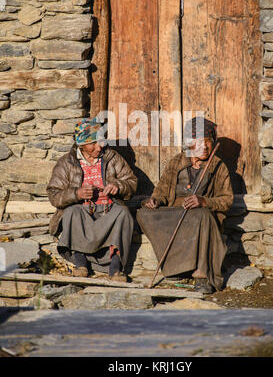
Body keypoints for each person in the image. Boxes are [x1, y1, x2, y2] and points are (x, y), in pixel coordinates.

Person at [137, 117, 233, 293]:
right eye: (198, 143)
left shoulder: (218, 166)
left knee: (201, 215)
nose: (204, 147)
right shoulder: (177, 162)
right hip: (175, 213)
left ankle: (201, 276)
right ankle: (176, 266)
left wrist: (205, 202)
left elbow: (227, 200)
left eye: (208, 142)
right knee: (143, 214)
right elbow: (162, 191)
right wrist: (155, 201)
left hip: (201, 216)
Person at [47, 118, 137, 280]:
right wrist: (77, 193)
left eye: (101, 141)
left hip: (108, 210)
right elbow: (54, 195)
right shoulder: (66, 163)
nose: (100, 147)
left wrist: (118, 186)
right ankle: (81, 264)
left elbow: (131, 182)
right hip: (82, 211)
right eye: (93, 143)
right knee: (72, 212)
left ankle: (115, 268)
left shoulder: (112, 158)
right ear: (81, 144)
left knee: (123, 213)